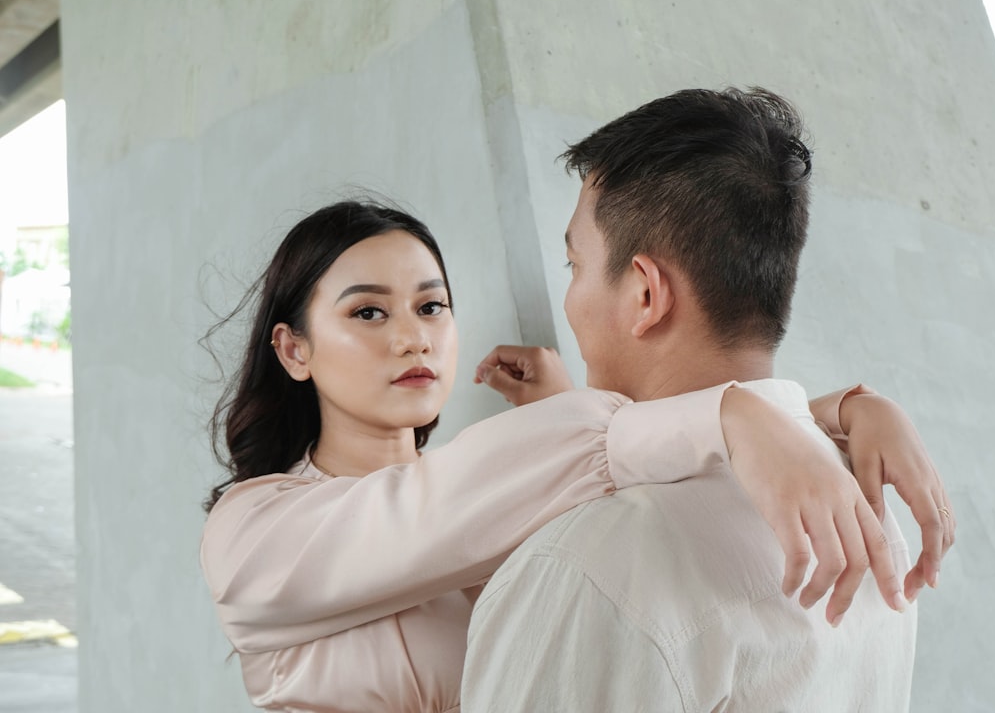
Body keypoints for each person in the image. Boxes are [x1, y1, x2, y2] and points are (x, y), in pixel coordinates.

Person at [200, 197, 949, 712]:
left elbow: (678, 462)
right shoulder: (251, 534)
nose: (413, 336)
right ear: (293, 348)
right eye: (369, 312)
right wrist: (728, 414)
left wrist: (843, 412)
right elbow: (424, 516)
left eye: (431, 307)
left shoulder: (509, 481)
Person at [461, 88, 948, 712]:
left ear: (644, 295)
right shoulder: (871, 514)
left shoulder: (594, 565)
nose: (570, 297)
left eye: (572, 265)